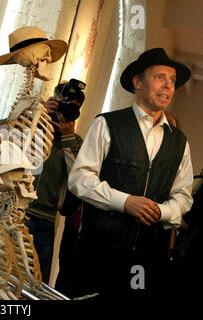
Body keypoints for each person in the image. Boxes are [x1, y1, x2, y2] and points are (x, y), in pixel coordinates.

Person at [68, 48, 194, 300]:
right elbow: (80, 178)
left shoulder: (179, 141)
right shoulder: (106, 124)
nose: (168, 85)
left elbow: (183, 196)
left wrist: (162, 211)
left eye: (172, 80)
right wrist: (125, 202)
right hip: (99, 251)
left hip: (148, 258)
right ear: (137, 82)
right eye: (160, 77)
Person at [23, 81, 85, 284]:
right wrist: (36, 116)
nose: (65, 110)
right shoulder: (32, 124)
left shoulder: (76, 142)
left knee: (37, 285)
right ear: (54, 100)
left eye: (73, 107)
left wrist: (67, 137)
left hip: (45, 221)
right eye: (64, 103)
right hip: (14, 211)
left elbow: (80, 179)